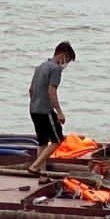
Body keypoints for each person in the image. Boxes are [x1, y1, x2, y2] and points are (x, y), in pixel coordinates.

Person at [26, 41, 76, 173]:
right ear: (62, 56)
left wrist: (36, 101)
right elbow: (51, 91)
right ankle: (35, 166)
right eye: (68, 60)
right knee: (57, 140)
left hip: (34, 109)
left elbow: (31, 89)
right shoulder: (55, 69)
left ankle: (42, 174)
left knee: (42, 142)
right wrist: (59, 112)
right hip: (45, 111)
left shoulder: (40, 67)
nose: (66, 64)